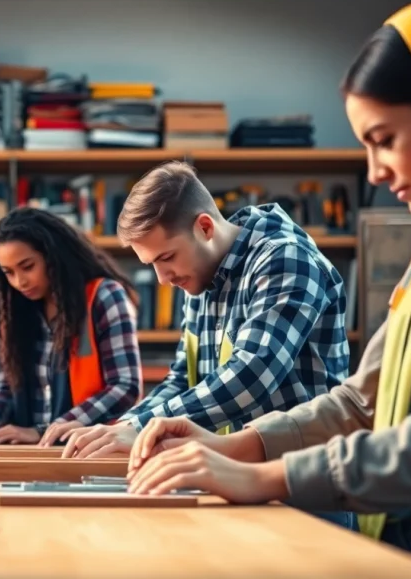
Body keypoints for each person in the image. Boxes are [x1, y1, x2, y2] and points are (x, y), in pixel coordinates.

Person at [125, 0, 411, 575]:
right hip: (400, 532)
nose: (374, 172)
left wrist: (264, 475)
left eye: (384, 138)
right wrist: (236, 446)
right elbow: (360, 402)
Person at [61, 160, 350, 458]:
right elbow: (183, 380)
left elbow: (252, 374)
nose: (162, 279)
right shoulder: (201, 275)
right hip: (238, 476)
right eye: (152, 265)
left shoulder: (286, 259)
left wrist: (140, 428)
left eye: (167, 257)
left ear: (204, 227)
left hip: (306, 483)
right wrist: (120, 428)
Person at [0, 207, 143, 445]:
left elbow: (125, 387)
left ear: (53, 256)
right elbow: (7, 385)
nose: (19, 282)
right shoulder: (14, 309)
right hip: (31, 453)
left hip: (91, 451)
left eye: (27, 266)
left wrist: (46, 430)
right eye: (8, 272)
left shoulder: (104, 296)